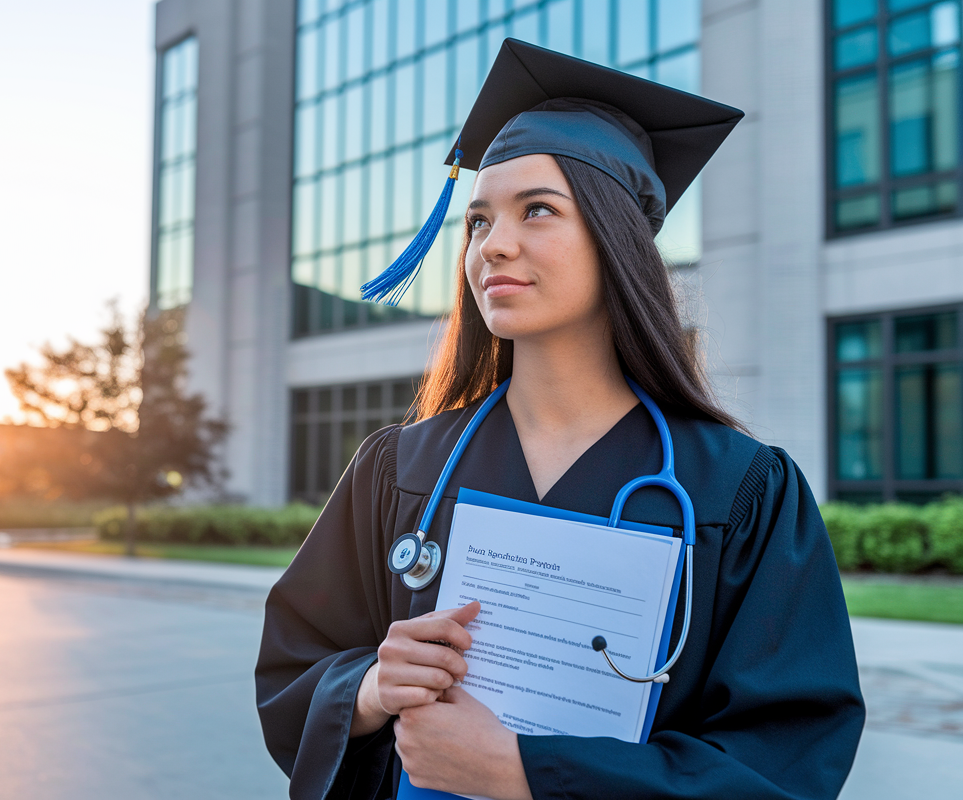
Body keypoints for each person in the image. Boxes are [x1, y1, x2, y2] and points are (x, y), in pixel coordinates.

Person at [256, 40, 864, 800]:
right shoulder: (400, 468)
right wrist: (373, 688)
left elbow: (785, 762)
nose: (492, 245)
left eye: (536, 210)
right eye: (477, 220)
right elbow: (295, 666)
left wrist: (526, 773)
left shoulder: (739, 491)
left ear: (619, 242)